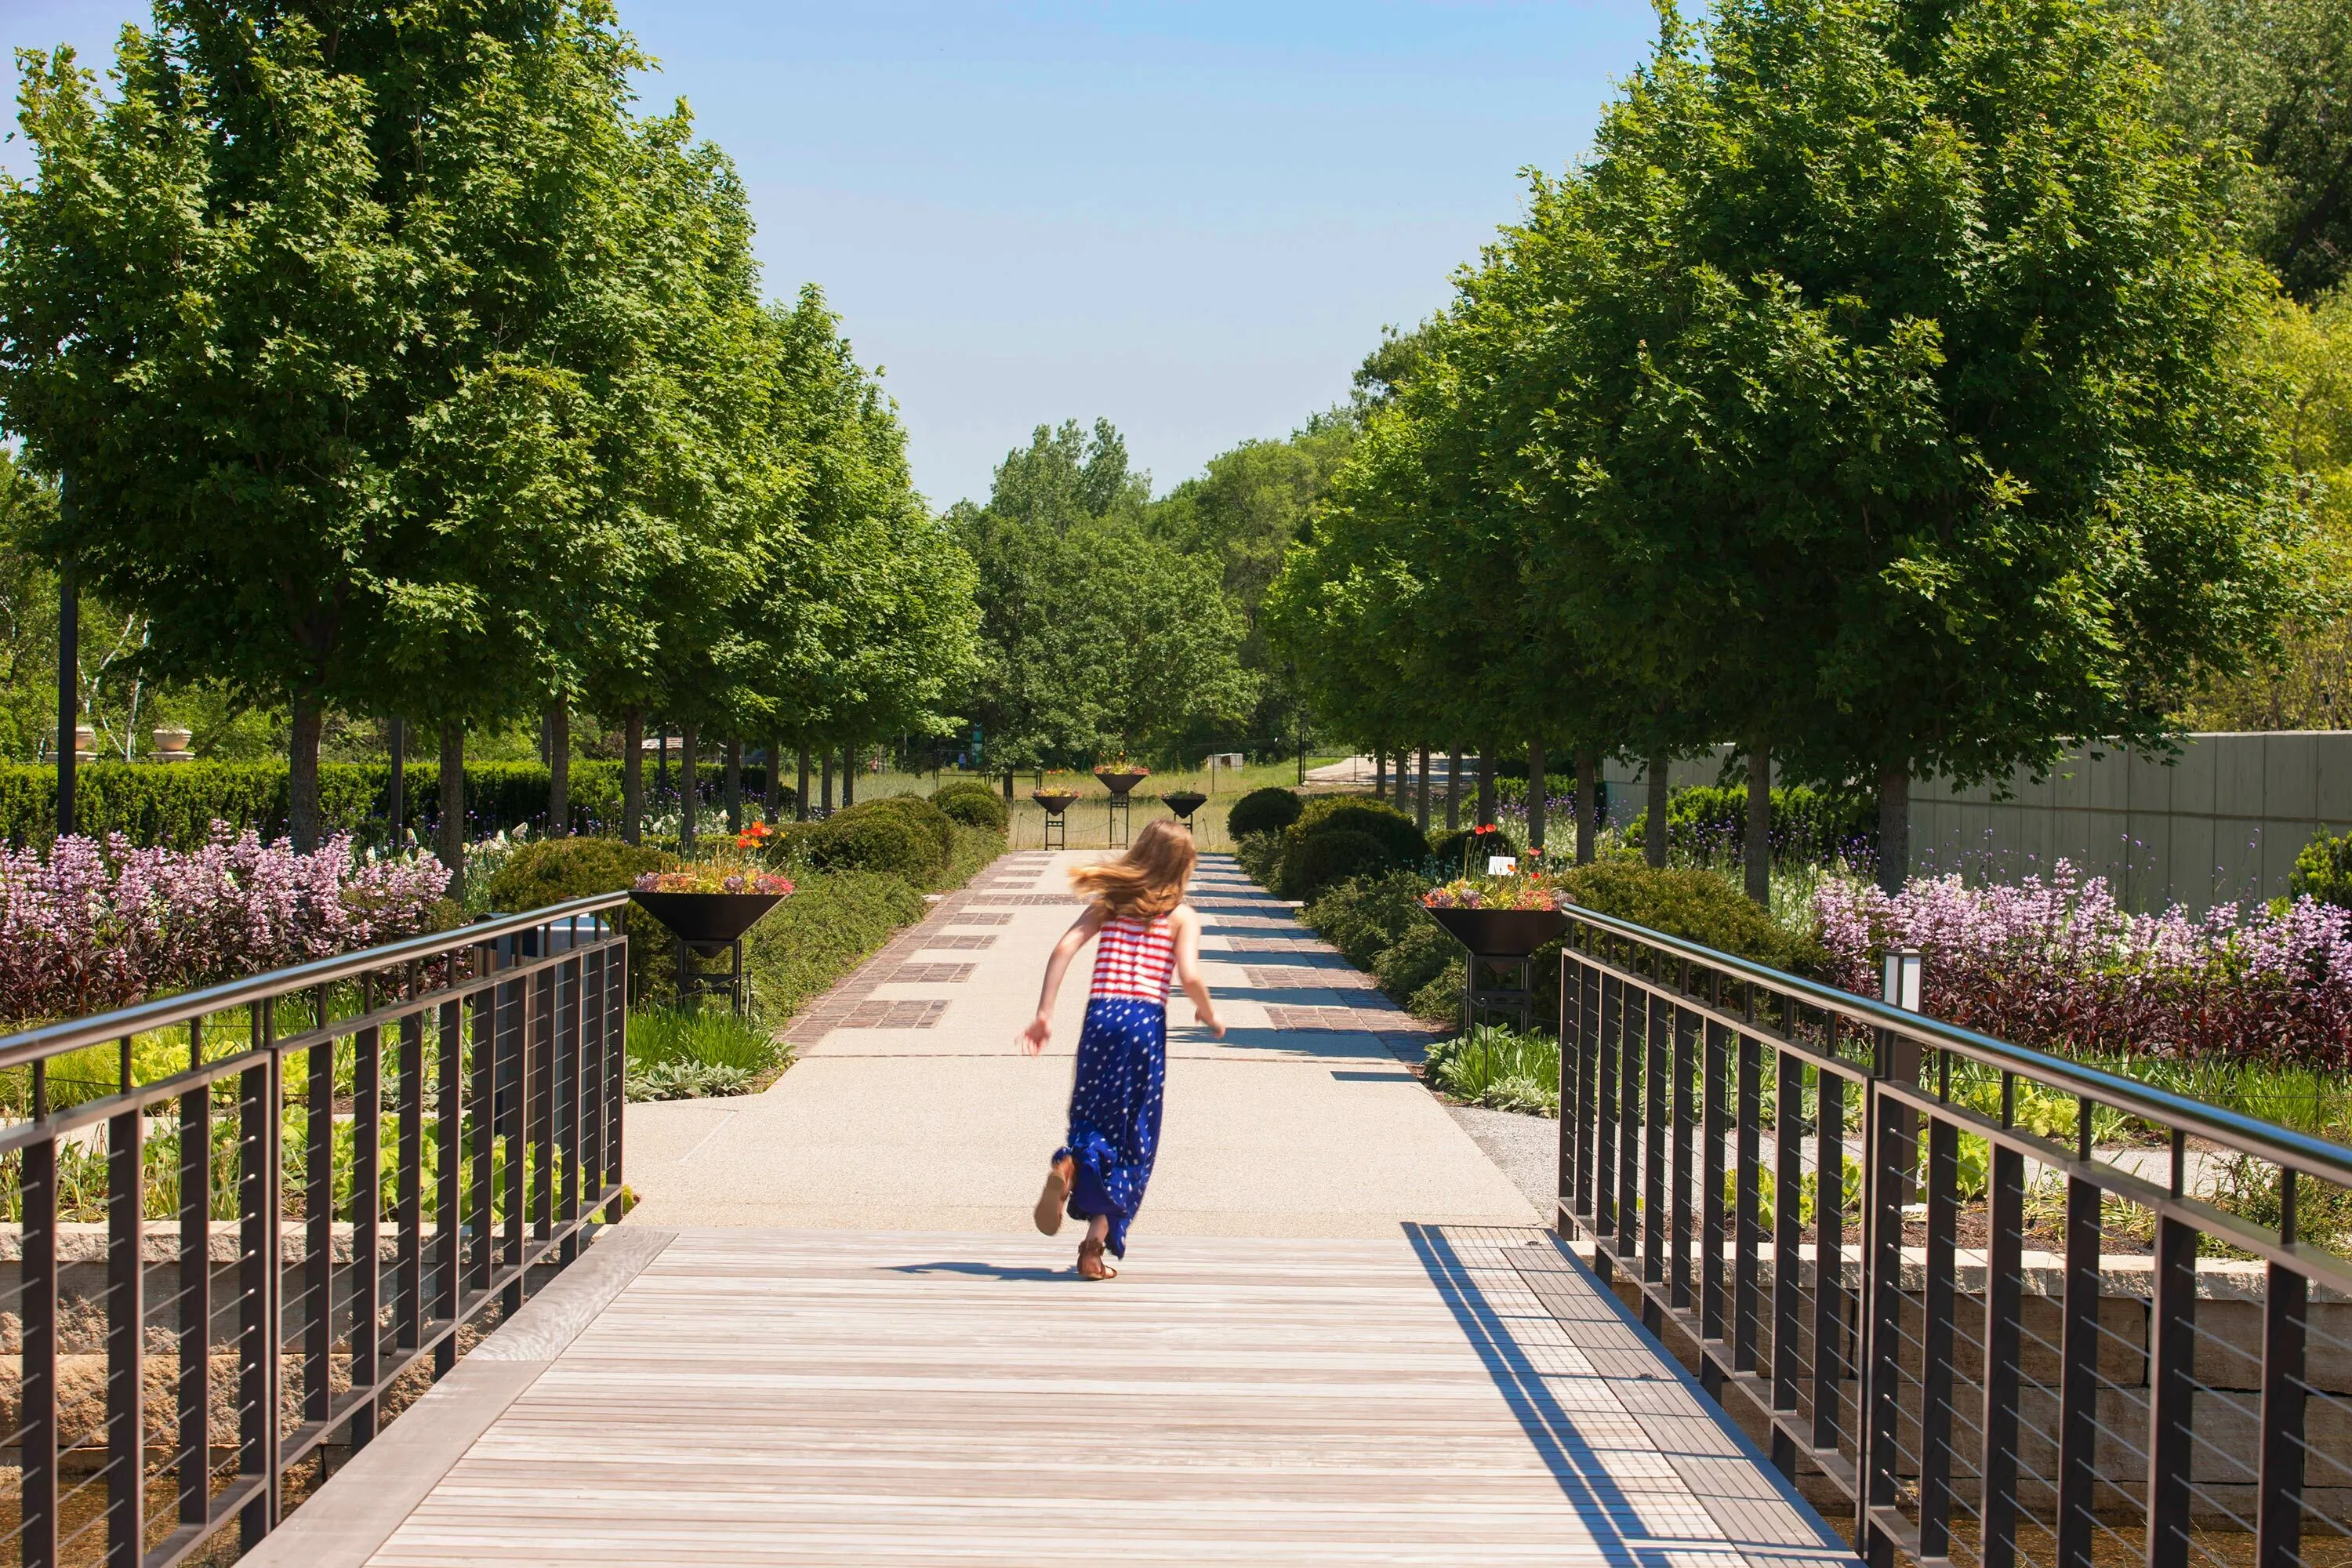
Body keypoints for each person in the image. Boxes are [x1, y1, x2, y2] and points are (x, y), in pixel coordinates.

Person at [1020, 819, 1223, 1279]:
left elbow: (1063, 949)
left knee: (1092, 1117)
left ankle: (1071, 1166)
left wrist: (1044, 1014)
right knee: (1134, 1137)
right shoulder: (1182, 916)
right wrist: (1209, 1014)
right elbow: (1189, 977)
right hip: (1143, 1026)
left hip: (1101, 1019)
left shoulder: (1109, 903)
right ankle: (1095, 1246)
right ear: (1183, 867)